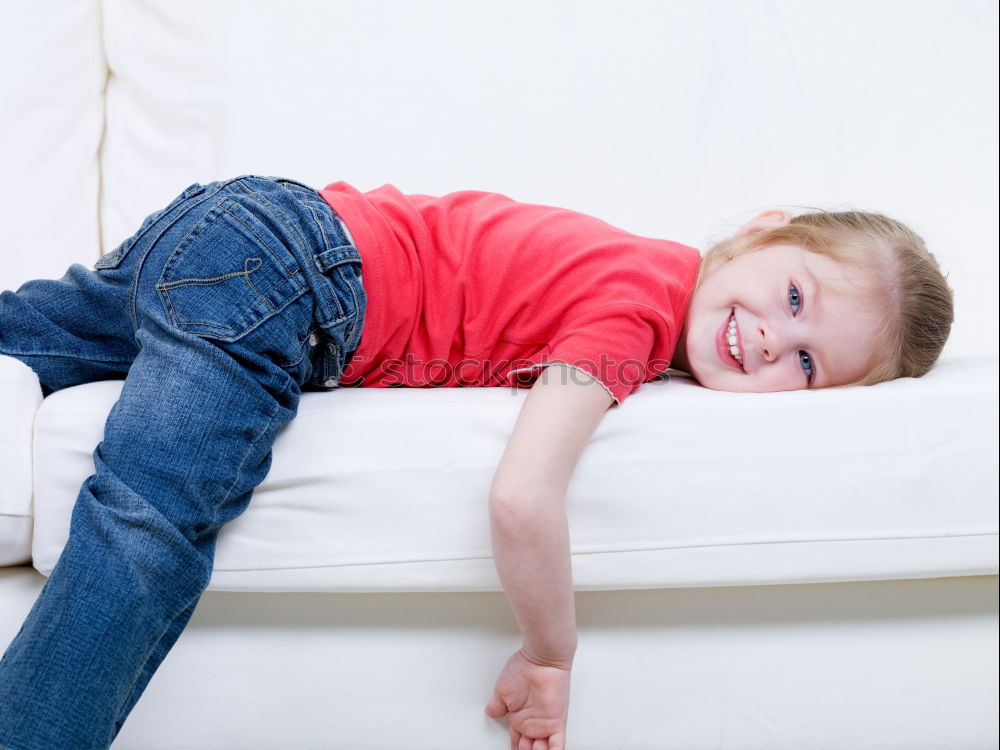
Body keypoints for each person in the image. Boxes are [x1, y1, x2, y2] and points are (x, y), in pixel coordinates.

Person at [0, 175, 953, 750]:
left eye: (808, 362)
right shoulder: (634, 310)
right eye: (792, 295)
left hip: (238, 221)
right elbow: (524, 497)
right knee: (150, 523)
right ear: (759, 230)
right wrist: (551, 654)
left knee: (31, 337)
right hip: (287, 273)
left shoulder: (638, 267)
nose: (767, 343)